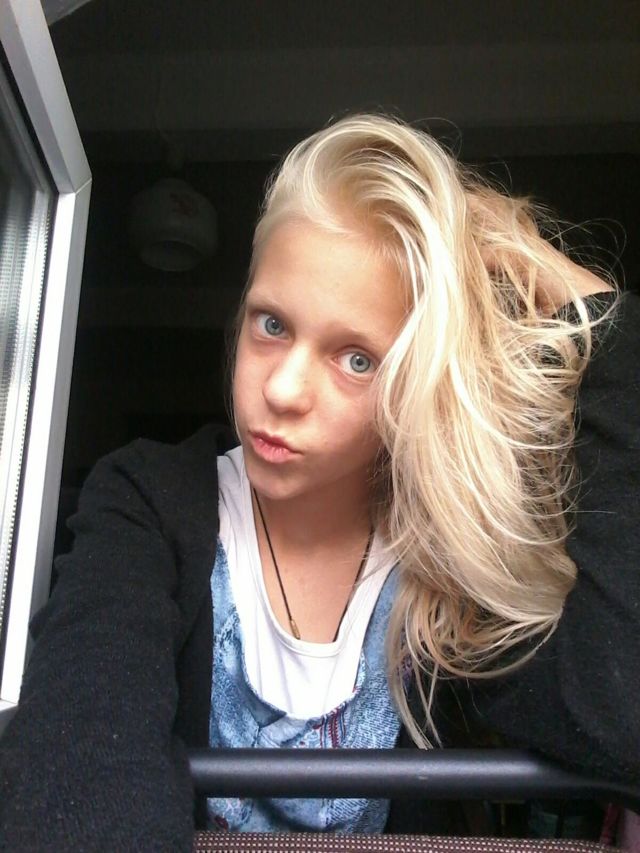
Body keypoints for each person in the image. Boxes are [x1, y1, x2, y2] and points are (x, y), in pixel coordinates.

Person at [0, 113, 638, 849]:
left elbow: (621, 714)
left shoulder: (441, 576)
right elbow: (81, 763)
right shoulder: (145, 503)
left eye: (356, 358)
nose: (283, 389)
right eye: (272, 324)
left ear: (415, 387)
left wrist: (595, 311)